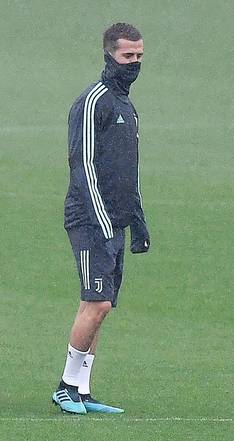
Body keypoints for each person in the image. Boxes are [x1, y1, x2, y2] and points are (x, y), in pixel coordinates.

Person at [52, 23, 150, 415]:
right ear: (109, 54)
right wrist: (103, 222)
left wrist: (137, 219)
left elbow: (128, 173)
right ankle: (64, 388)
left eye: (140, 56)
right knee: (98, 303)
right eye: (128, 56)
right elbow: (83, 165)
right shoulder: (94, 102)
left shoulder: (127, 106)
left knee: (100, 306)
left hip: (115, 221)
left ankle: (83, 390)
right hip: (90, 220)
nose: (135, 63)